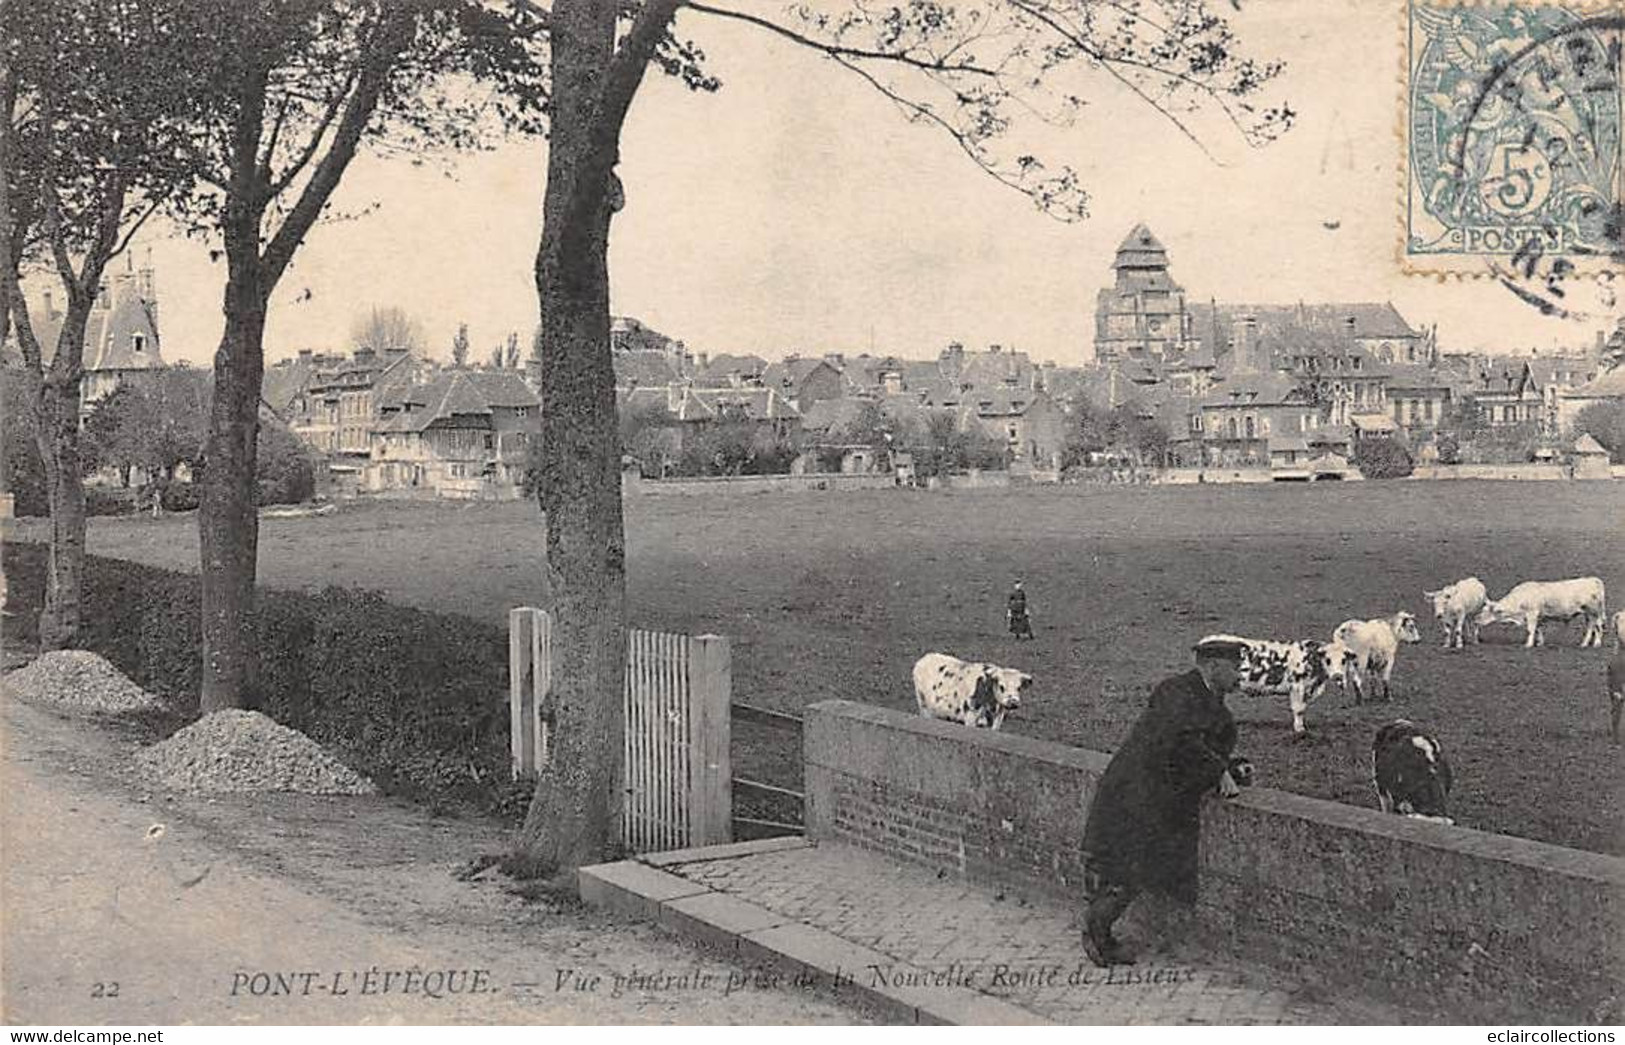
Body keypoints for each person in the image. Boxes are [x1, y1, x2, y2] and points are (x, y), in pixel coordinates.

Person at [1079, 636, 1249, 967]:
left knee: (1133, 869)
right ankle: (1098, 935)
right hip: (1135, 795)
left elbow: (1195, 749)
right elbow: (1179, 738)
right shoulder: (1175, 691)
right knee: (1127, 871)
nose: (1240, 674)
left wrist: (1229, 768)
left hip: (1155, 799)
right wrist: (1218, 769)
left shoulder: (1212, 706)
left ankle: (1098, 928)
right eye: (1234, 668)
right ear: (1212, 667)